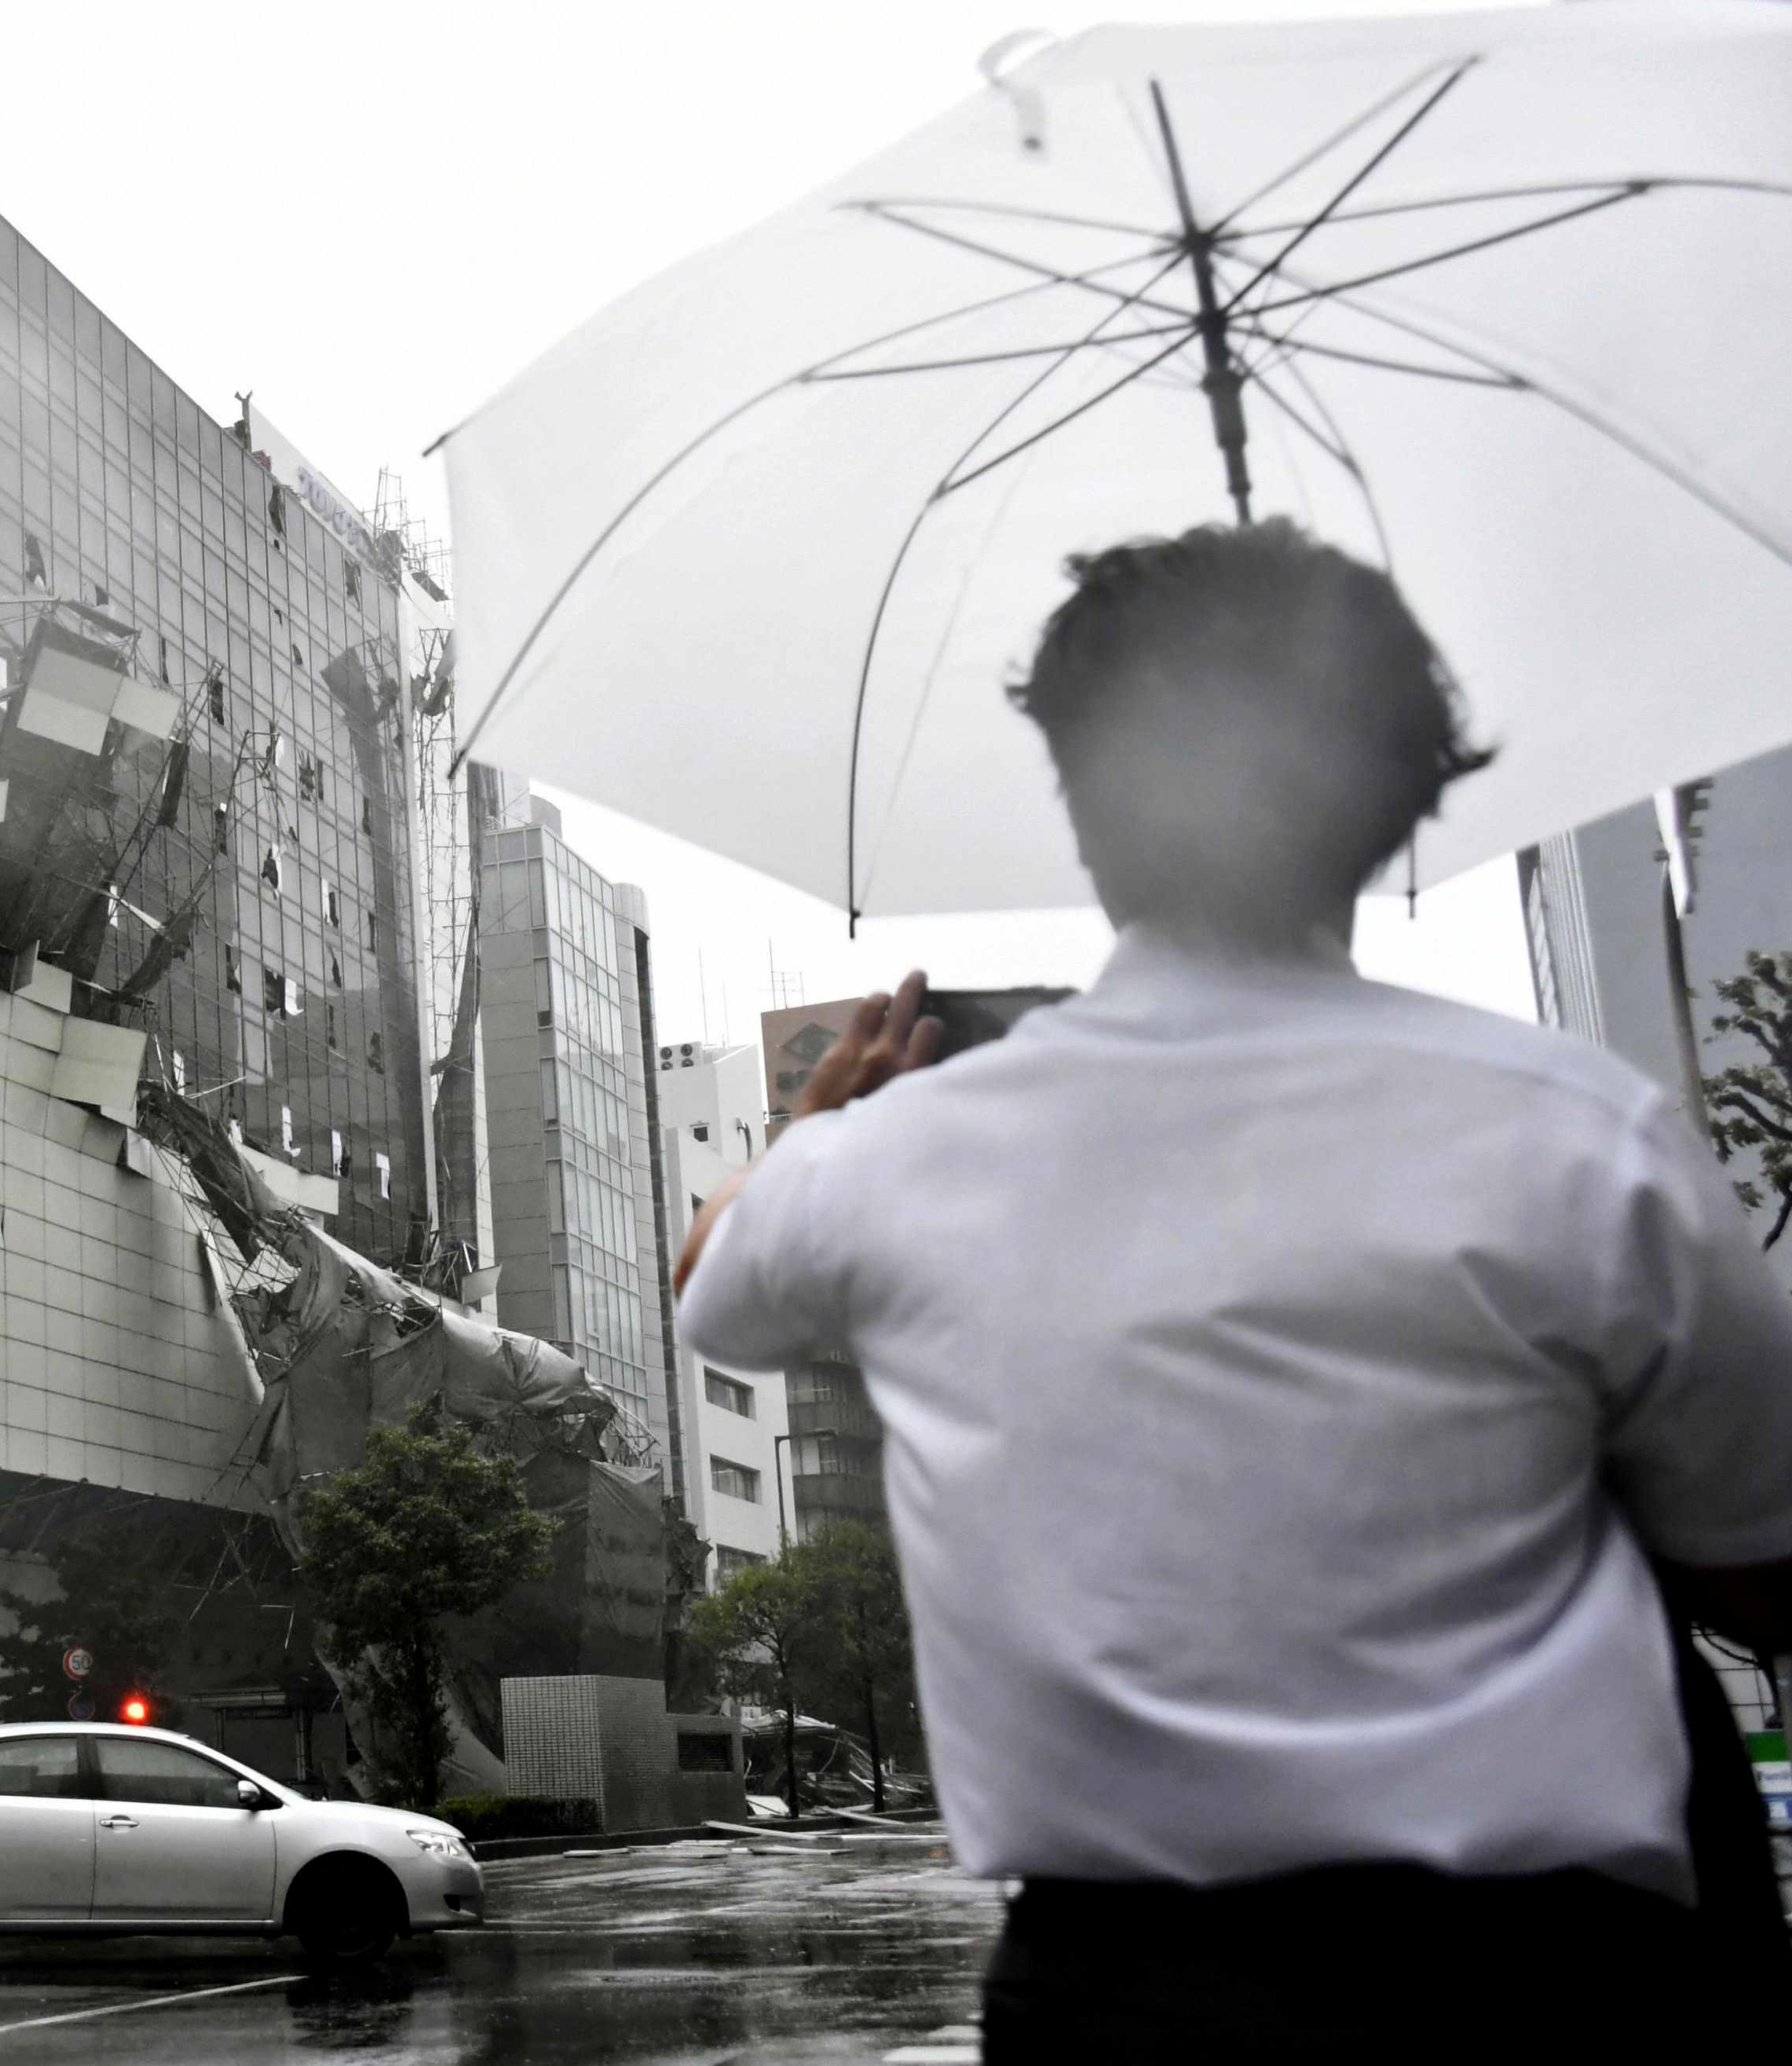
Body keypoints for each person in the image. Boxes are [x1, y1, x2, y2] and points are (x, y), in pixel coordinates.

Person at [673, 521, 1792, 2059]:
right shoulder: (1579, 1134)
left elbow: (705, 1291)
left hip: (1120, 1991)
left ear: (1082, 799)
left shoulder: (893, 1156)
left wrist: (815, 1126)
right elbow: (1758, 1560)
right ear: (1401, 791)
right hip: (1559, 1979)